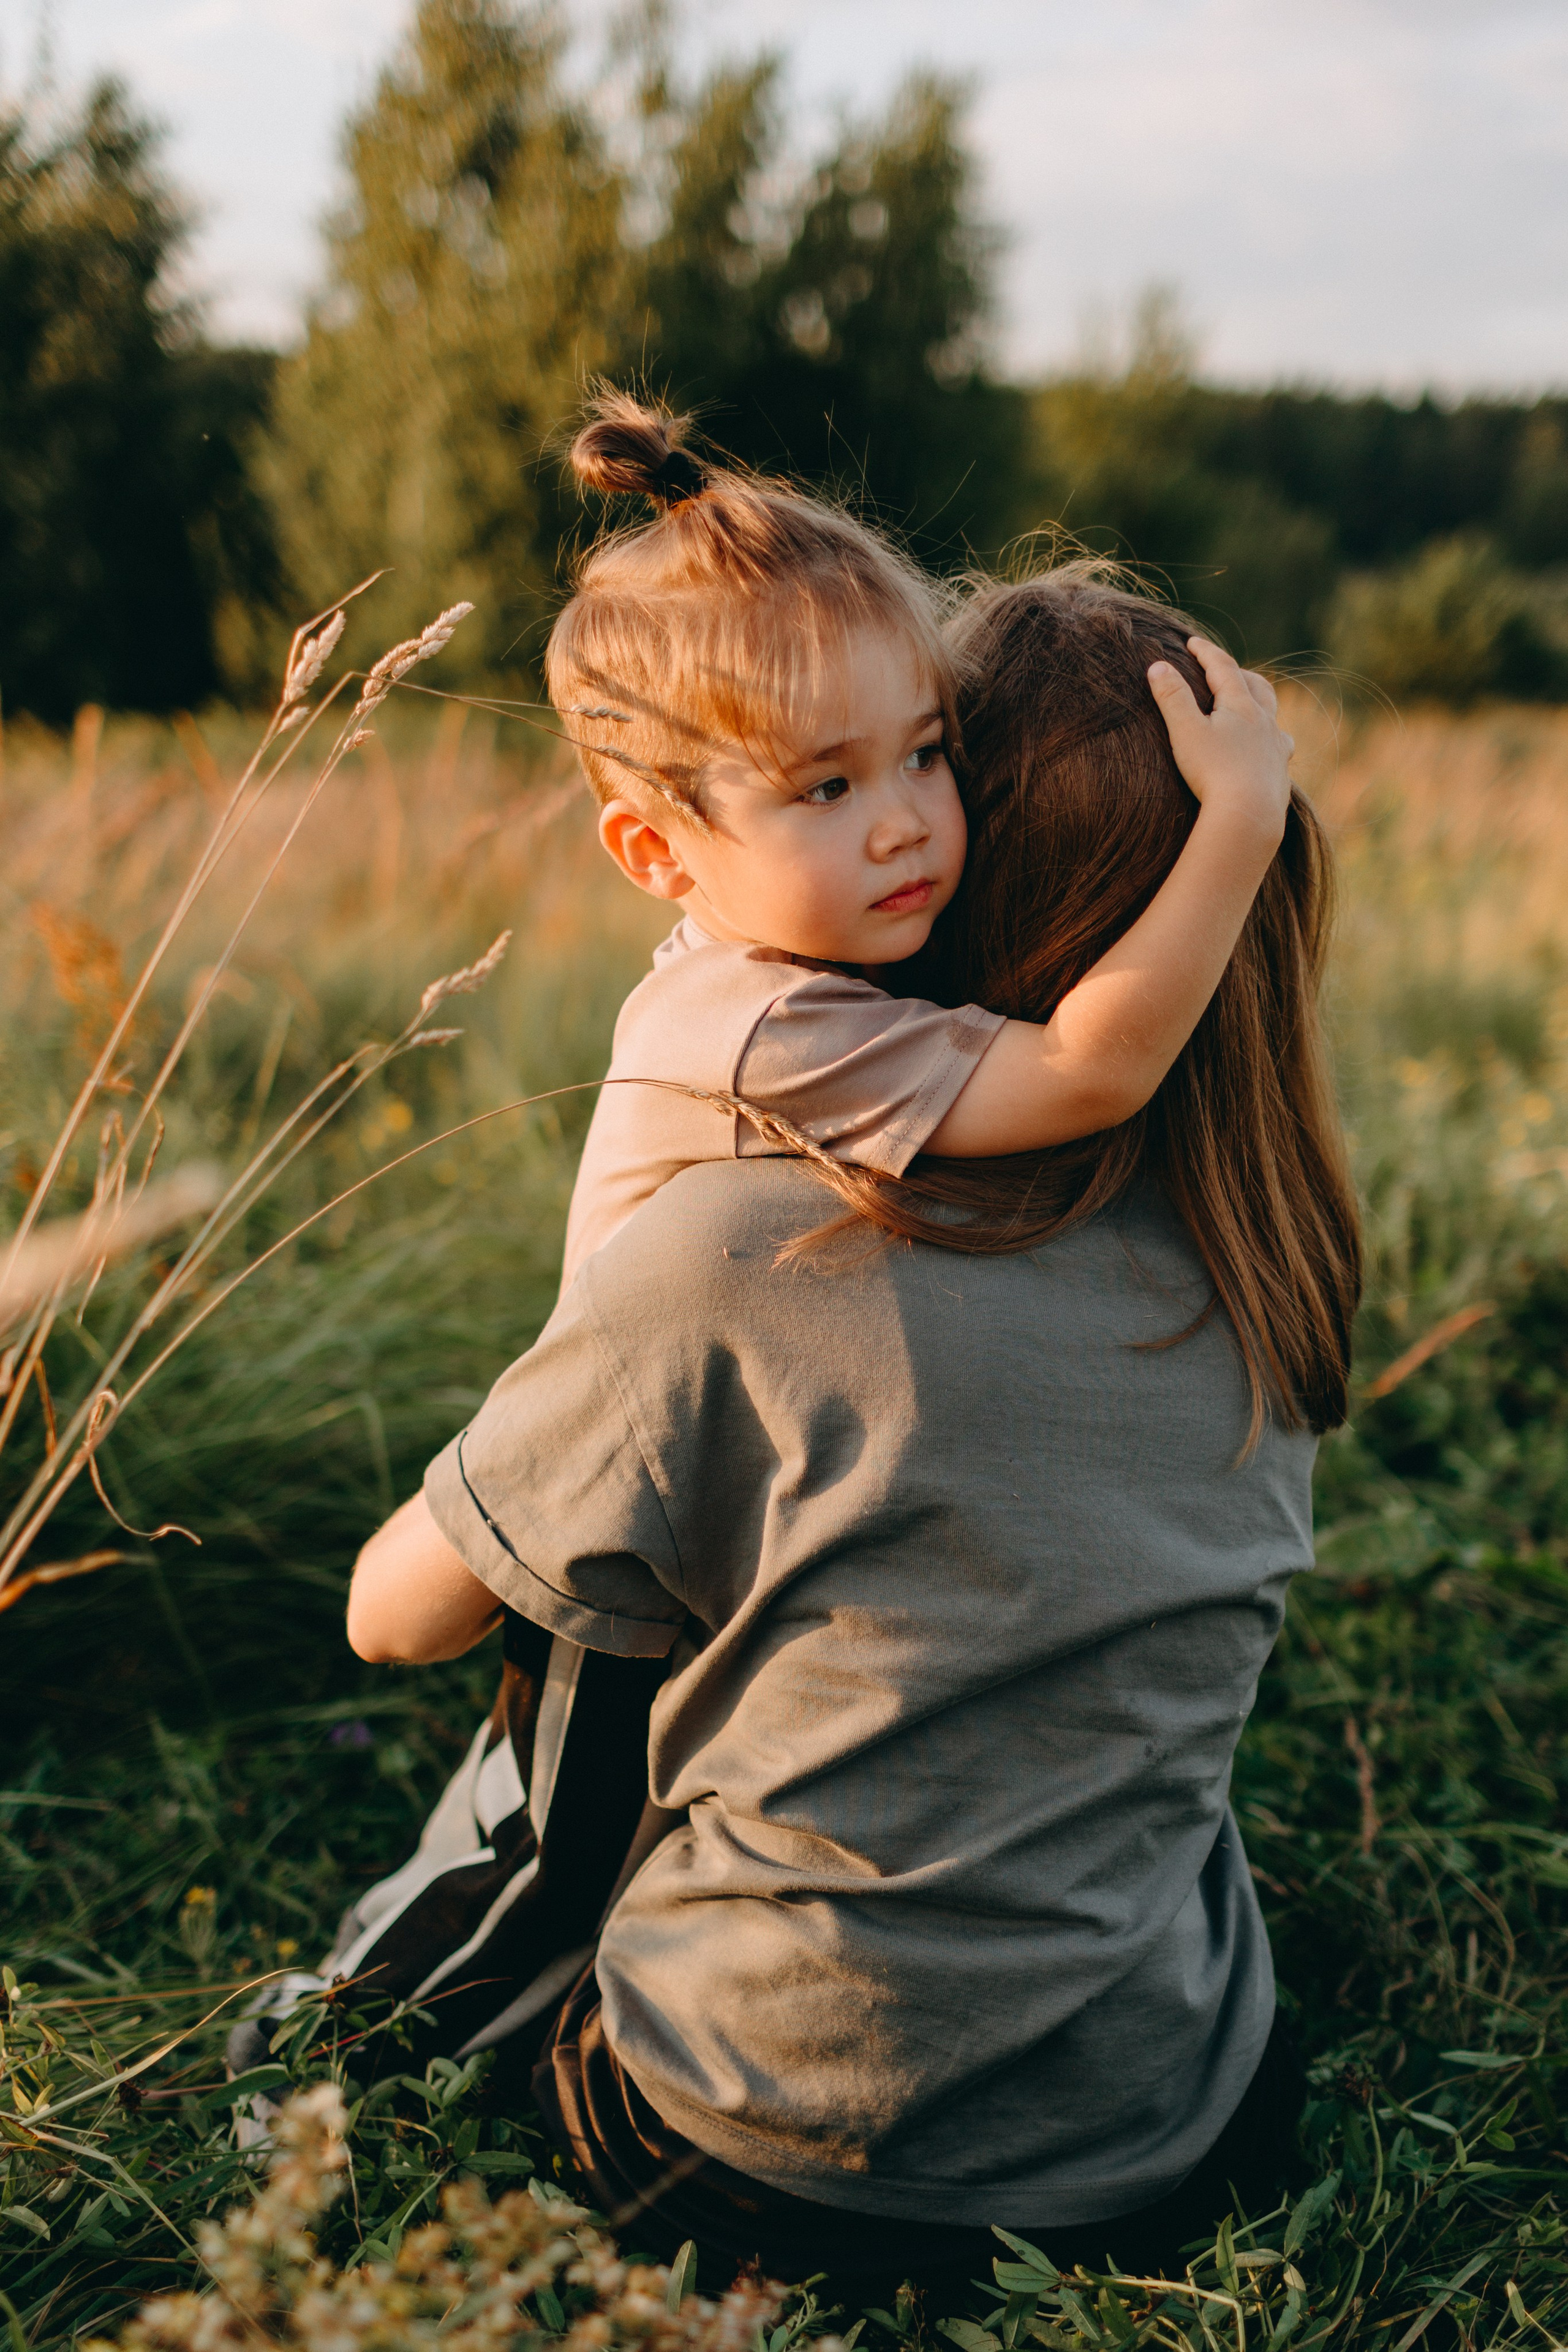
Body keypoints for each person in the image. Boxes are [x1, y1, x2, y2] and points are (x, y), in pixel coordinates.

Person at [344, 573, 1361, 2307]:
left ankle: (356, 2025)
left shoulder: (735, 1252)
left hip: (762, 2163)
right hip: (1170, 2137)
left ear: (984, 879)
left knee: (598, 1660)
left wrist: (565, 1422)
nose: (902, 826)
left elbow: (401, 1617)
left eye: (932, 765)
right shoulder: (1267, 1270)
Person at [548, 393, 1292, 1290]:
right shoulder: (759, 1032)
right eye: (827, 786)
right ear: (653, 851)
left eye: (925, 753)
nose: (904, 825)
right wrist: (1243, 821)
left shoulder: (784, 963)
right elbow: (1087, 1074)